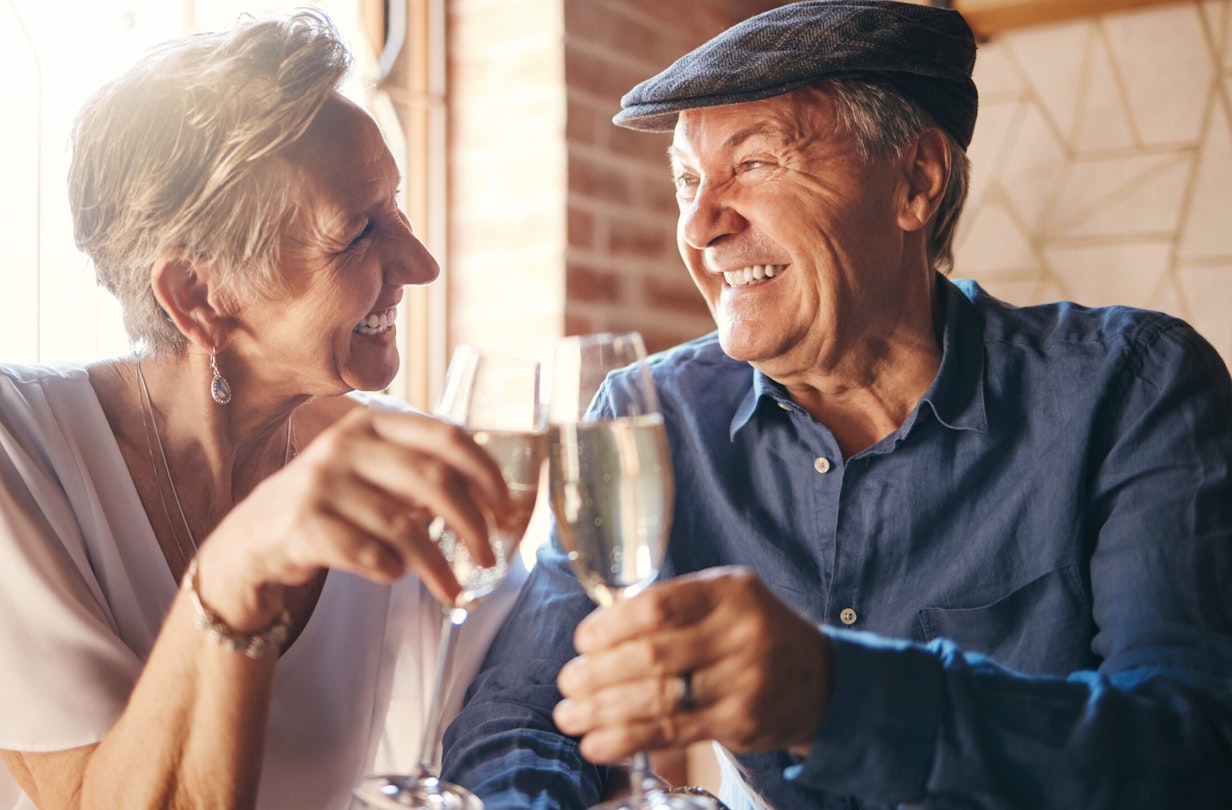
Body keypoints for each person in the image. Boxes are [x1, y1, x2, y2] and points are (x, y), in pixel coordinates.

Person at [442, 1, 1232, 808]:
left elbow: (1194, 748)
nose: (700, 224)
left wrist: (834, 696)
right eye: (687, 179)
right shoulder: (653, 417)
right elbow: (519, 715)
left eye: (753, 164)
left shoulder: (1132, 388)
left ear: (916, 181)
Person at [0, 13, 526, 810]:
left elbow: (521, 717)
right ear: (197, 297)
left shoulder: (401, 463)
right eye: (360, 230)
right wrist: (241, 563)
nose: (422, 262)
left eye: (396, 207)